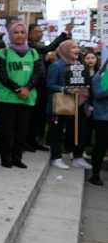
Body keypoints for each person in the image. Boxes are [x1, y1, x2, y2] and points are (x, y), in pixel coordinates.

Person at [0, 22, 43, 169]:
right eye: (16, 32)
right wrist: (18, 89)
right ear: (10, 35)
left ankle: (17, 157)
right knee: (6, 130)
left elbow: (38, 73)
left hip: (26, 97)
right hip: (7, 98)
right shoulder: (3, 52)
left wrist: (27, 88)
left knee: (21, 130)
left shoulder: (34, 53)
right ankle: (5, 157)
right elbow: (1, 74)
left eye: (23, 32)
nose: (20, 35)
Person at [27, 22, 73, 150]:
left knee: (40, 116)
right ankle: (28, 141)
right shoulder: (29, 45)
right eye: (37, 31)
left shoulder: (38, 46)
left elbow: (43, 61)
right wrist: (64, 33)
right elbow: (49, 48)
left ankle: (36, 140)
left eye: (41, 31)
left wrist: (47, 61)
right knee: (32, 115)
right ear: (29, 34)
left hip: (42, 86)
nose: (40, 33)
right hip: (32, 86)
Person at [47, 40, 93, 170]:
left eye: (77, 47)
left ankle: (77, 157)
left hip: (79, 103)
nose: (77, 50)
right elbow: (50, 86)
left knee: (78, 131)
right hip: (63, 103)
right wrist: (65, 89)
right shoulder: (57, 66)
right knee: (58, 130)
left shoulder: (80, 65)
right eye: (73, 47)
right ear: (66, 50)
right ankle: (56, 157)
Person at [89, 62, 108, 186]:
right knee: (101, 146)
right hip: (102, 117)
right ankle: (95, 174)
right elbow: (97, 94)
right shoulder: (99, 77)